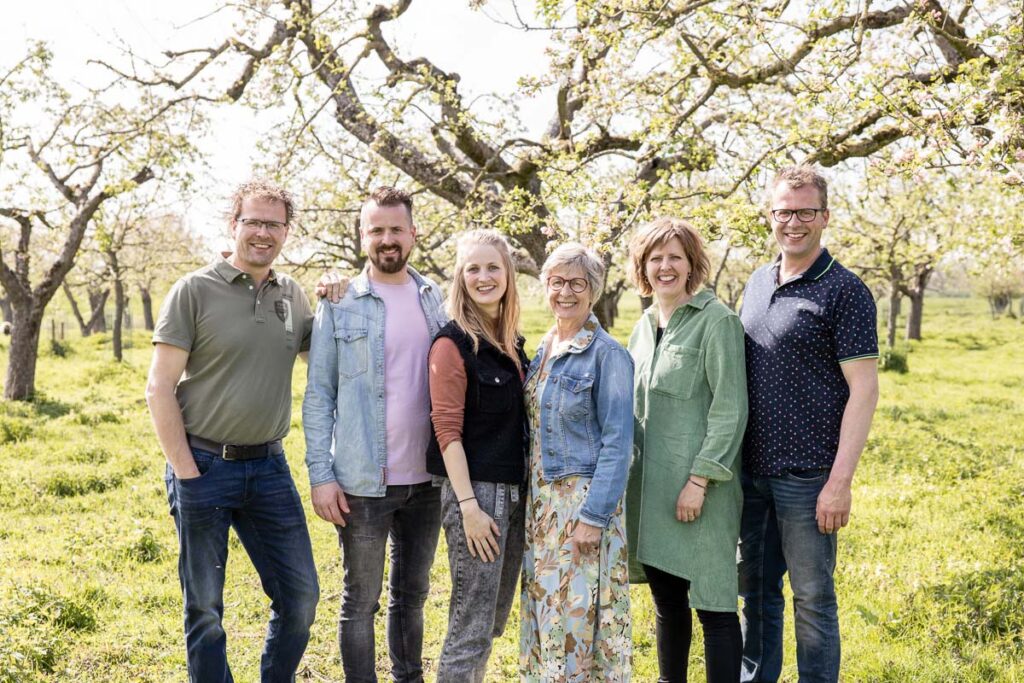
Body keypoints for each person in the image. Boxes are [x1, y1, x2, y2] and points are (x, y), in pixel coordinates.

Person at [146, 179, 323, 682]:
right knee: (205, 607)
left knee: (302, 597)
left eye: (275, 223)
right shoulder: (194, 290)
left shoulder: (292, 294)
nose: (263, 232)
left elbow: (322, 357)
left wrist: (339, 299)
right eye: (254, 221)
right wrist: (186, 472)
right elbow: (158, 388)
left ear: (287, 231)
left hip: (269, 466)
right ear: (234, 224)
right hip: (202, 464)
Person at [738, 165, 880, 683]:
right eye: (783, 211)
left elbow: (864, 391)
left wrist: (839, 482)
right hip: (751, 474)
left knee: (813, 600)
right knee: (754, 594)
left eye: (803, 211)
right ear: (770, 216)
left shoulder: (846, 291)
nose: (792, 222)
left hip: (809, 476)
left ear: (824, 216)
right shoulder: (756, 283)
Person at [303, 185, 447, 683]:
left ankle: (409, 677)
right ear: (363, 236)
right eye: (376, 230)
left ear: (413, 233)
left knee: (413, 593)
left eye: (395, 229)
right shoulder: (339, 303)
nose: (387, 239)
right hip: (362, 480)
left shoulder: (435, 301)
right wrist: (321, 475)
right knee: (360, 600)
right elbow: (319, 394)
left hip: (427, 480)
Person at [625, 217, 748, 683]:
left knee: (714, 606)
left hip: (702, 491)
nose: (665, 266)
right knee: (667, 603)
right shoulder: (642, 326)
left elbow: (730, 410)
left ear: (693, 263)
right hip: (651, 491)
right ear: (643, 266)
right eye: (655, 258)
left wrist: (699, 481)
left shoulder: (717, 322)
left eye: (675, 256)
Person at [520, 242, 634, 682]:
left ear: (593, 292)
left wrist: (593, 517)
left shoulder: (608, 355)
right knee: (548, 613)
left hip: (583, 507)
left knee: (581, 621)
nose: (565, 292)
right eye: (556, 282)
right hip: (542, 509)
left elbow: (618, 444)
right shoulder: (545, 347)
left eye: (577, 283)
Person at [426, 229, 530, 682]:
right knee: (470, 626)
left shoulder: (513, 343)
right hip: (479, 498)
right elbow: (446, 431)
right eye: (473, 268)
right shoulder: (451, 345)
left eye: (493, 267)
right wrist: (469, 508)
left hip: (514, 496)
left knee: (489, 624)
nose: (483, 277)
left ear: (508, 273)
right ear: (459, 277)